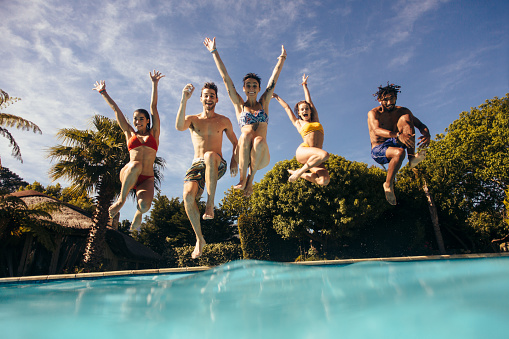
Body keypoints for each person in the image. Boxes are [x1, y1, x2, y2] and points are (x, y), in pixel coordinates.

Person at [203, 36, 286, 195]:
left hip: (260, 155)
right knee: (246, 134)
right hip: (243, 151)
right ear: (243, 88)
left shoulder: (264, 104)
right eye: (248, 85)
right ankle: (242, 179)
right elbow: (225, 78)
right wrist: (214, 52)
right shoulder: (239, 105)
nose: (252, 87)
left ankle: (250, 179)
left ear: (259, 88)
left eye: (255, 85)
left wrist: (281, 59)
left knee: (260, 139)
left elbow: (273, 80)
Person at [93, 70, 163, 230]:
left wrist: (154, 84)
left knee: (145, 206)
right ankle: (121, 200)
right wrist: (103, 92)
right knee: (135, 165)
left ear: (147, 121)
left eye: (140, 119)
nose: (137, 121)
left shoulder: (154, 133)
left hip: (147, 178)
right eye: (135, 119)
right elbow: (116, 111)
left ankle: (138, 214)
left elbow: (154, 107)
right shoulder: (129, 133)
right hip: (129, 172)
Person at [176, 82, 238, 259]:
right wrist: (183, 99)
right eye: (206, 95)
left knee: (210, 155)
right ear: (201, 98)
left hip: (217, 163)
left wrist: (234, 161)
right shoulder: (193, 119)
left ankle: (210, 203)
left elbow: (236, 142)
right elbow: (179, 126)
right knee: (188, 196)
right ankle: (199, 239)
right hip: (196, 164)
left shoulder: (223, 120)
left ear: (217, 99)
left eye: (212, 95)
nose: (209, 98)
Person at [367, 82, 430, 205]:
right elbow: (377, 130)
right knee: (399, 152)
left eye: (392, 99)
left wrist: (427, 134)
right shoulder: (374, 113)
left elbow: (420, 125)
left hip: (397, 141)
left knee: (406, 118)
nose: (390, 103)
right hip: (380, 149)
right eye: (386, 100)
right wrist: (397, 135)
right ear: (380, 100)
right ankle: (388, 184)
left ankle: (411, 158)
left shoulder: (402, 111)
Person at [272, 74, 329, 185]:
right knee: (325, 155)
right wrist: (276, 96)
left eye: (306, 108)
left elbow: (309, 101)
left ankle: (299, 172)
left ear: (310, 110)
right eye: (301, 109)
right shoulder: (298, 122)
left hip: (314, 157)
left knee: (324, 181)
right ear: (298, 112)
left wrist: (304, 85)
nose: (304, 111)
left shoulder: (315, 119)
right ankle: (300, 172)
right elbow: (287, 107)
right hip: (304, 151)